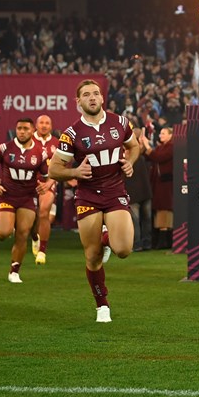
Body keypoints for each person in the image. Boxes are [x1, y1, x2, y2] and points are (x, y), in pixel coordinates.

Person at [48, 79, 140, 323]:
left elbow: (134, 146)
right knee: (92, 257)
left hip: (115, 191)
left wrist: (131, 161)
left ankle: (106, 238)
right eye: (86, 94)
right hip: (88, 195)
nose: (92, 97)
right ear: (78, 102)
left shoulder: (120, 122)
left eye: (96, 93)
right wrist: (75, 173)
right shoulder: (72, 134)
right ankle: (102, 305)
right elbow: (53, 169)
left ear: (102, 98)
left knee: (123, 250)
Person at [0, 118, 50, 283]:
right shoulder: (5, 148)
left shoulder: (40, 152)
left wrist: (47, 185)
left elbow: (50, 175)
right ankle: (30, 231)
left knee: (22, 235)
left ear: (32, 130)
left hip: (27, 198)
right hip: (7, 196)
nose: (22, 131)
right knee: (3, 233)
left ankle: (14, 271)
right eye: (19, 128)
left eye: (26, 128)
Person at [31, 114, 60, 264]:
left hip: (48, 182)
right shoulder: (28, 140)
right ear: (36, 125)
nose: (44, 125)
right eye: (41, 122)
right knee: (29, 217)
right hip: (29, 182)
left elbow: (60, 167)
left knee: (44, 212)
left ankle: (42, 251)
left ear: (51, 126)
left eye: (47, 123)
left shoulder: (57, 143)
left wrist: (49, 183)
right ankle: (34, 236)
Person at [142, 126, 174, 249]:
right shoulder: (161, 147)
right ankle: (160, 241)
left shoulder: (171, 147)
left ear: (171, 135)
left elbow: (158, 157)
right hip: (158, 185)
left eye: (163, 133)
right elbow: (151, 156)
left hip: (166, 185)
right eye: (160, 133)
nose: (160, 135)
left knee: (164, 211)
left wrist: (147, 146)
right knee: (159, 211)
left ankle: (164, 242)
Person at [127, 127, 153, 251]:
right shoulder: (140, 157)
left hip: (135, 193)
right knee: (144, 219)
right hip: (144, 192)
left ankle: (138, 244)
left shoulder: (125, 160)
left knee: (136, 220)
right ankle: (145, 243)